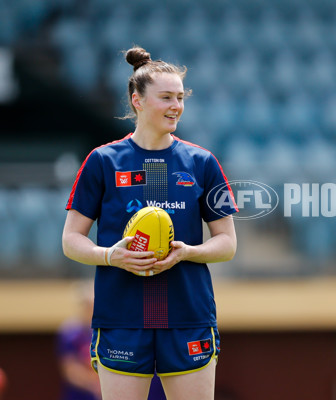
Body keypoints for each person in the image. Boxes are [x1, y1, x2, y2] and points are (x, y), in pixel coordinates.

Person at [62, 46, 238, 400]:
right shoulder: (102, 161)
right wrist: (112, 255)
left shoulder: (201, 162)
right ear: (137, 101)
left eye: (180, 97)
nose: (177, 106)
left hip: (187, 316)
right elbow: (71, 240)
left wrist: (187, 252)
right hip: (122, 318)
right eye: (166, 97)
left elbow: (227, 243)